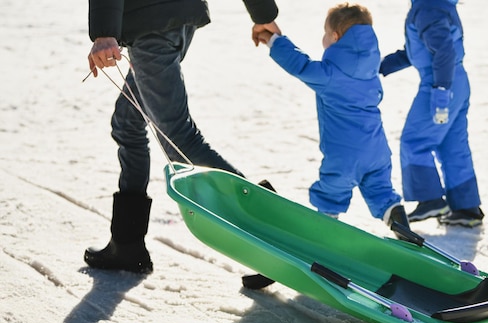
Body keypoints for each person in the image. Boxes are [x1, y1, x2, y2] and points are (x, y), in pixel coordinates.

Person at [84, 0, 281, 274]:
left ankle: (266, 226)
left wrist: (105, 32)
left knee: (178, 137)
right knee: (127, 123)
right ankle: (126, 244)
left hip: (149, 24)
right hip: (177, 16)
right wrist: (263, 14)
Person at [256, 3, 411, 234]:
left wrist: (274, 40)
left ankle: (323, 236)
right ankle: (400, 224)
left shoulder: (330, 75)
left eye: (325, 34)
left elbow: (299, 65)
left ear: (335, 37)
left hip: (344, 156)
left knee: (330, 194)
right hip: (377, 151)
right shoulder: (371, 73)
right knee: (381, 193)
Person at [379, 0, 484, 227]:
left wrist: (441, 93)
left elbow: (443, 51)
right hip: (456, 81)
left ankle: (430, 199)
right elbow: (419, 49)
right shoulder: (433, 4)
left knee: (414, 140)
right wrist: (383, 65)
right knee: (451, 145)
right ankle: (466, 207)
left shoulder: (427, 7)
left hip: (440, 83)